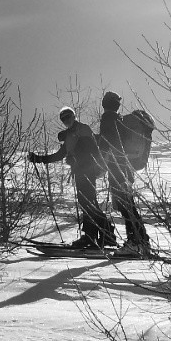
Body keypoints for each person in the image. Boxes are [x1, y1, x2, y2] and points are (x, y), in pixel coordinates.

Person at [28, 107, 115, 249]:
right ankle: (98, 236)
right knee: (87, 203)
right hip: (80, 171)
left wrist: (76, 158)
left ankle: (99, 236)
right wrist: (38, 159)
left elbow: (91, 149)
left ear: (73, 116)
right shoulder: (70, 135)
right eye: (63, 119)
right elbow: (59, 155)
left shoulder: (83, 129)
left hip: (87, 170)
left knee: (88, 203)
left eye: (68, 117)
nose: (66, 120)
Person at [96, 91, 150, 255]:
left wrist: (99, 163)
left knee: (125, 203)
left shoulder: (108, 119)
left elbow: (107, 142)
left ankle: (136, 242)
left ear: (104, 104)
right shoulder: (120, 120)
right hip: (125, 166)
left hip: (116, 166)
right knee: (128, 203)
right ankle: (141, 240)